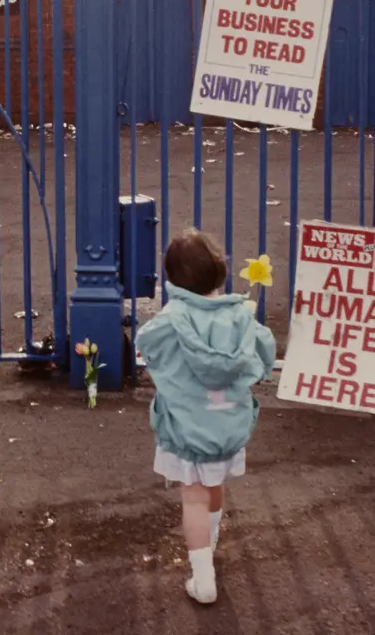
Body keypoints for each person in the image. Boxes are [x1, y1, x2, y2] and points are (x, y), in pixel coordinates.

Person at [137, 229, 277, 605]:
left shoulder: (173, 317)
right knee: (214, 483)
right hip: (228, 424)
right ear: (220, 273)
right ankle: (210, 541)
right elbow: (265, 349)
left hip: (188, 427)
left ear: (171, 278)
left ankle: (203, 578)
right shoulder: (239, 314)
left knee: (193, 498)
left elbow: (145, 341)